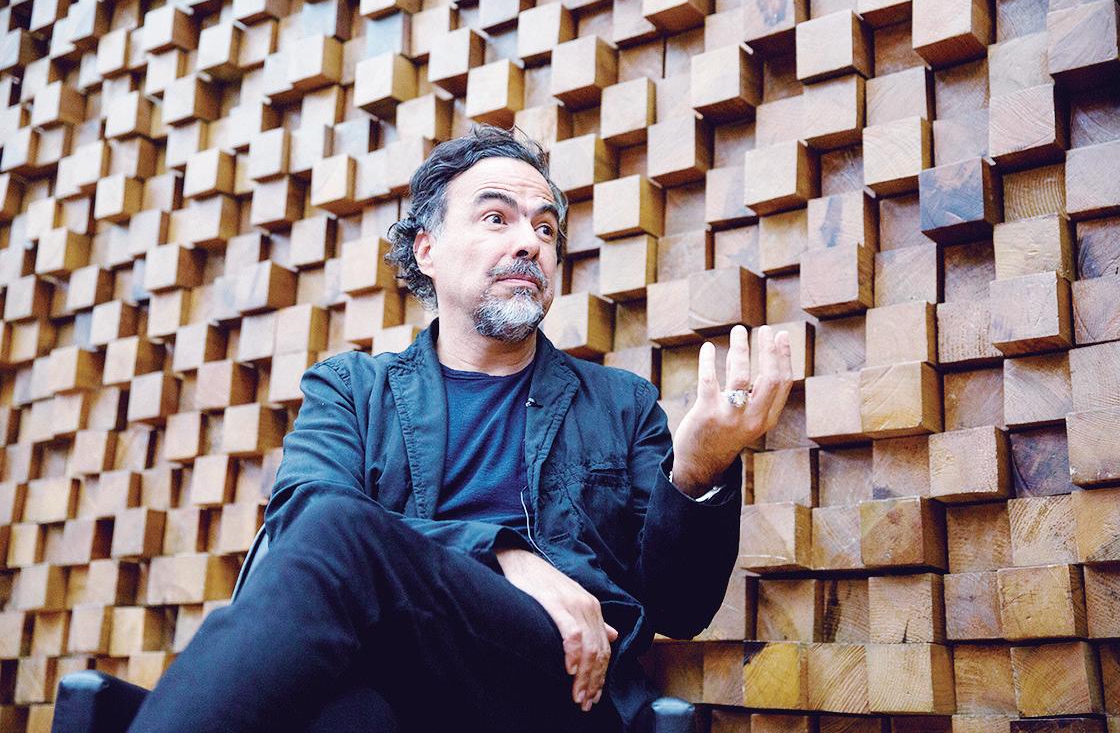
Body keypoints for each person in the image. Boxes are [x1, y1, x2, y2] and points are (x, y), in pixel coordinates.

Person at [126, 125, 793, 733]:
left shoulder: (621, 404)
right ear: (428, 249)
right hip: (390, 682)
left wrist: (697, 470)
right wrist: (502, 555)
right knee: (343, 716)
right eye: (496, 217)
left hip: (557, 685)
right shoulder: (352, 389)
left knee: (343, 533)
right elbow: (300, 518)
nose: (529, 242)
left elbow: (679, 606)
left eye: (545, 228)